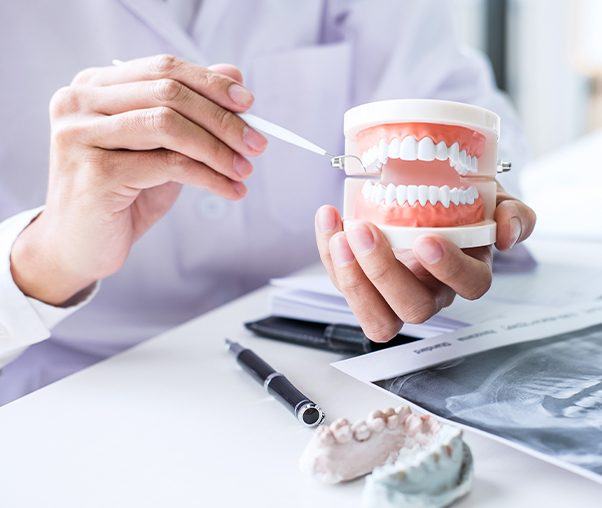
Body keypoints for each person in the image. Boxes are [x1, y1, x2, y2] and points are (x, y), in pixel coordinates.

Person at [0, 0, 535, 405]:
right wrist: (45, 260)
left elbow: (461, 107)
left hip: (326, 369)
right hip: (71, 395)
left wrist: (468, 211)